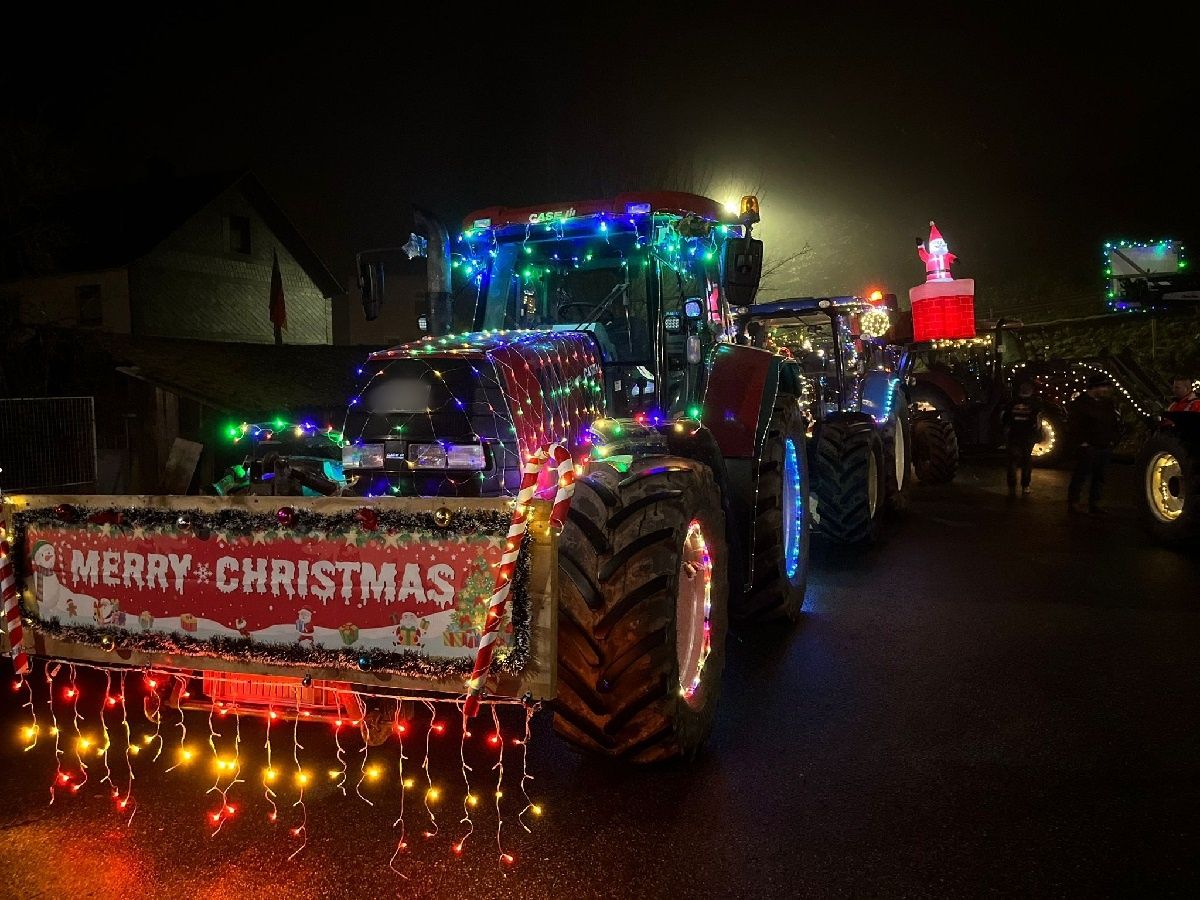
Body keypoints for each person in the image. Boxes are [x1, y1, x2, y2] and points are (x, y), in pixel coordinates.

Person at [1066, 373, 1121, 514]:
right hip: (1088, 446)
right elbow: (1074, 426)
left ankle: (1095, 503)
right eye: (1103, 386)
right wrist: (1082, 443)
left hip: (1104, 444)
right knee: (1081, 475)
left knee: (1099, 477)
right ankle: (1074, 502)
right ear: (1093, 387)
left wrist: (1113, 438)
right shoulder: (1080, 404)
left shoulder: (1107, 403)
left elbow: (1113, 421)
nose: (1105, 390)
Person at [1002, 381, 1041, 496]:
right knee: (1026, 460)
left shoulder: (1011, 403)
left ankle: (1012, 486)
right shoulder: (1035, 404)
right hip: (1028, 436)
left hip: (1014, 435)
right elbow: (1038, 422)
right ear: (1031, 391)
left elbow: (1005, 419)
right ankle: (1025, 486)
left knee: (1012, 461)